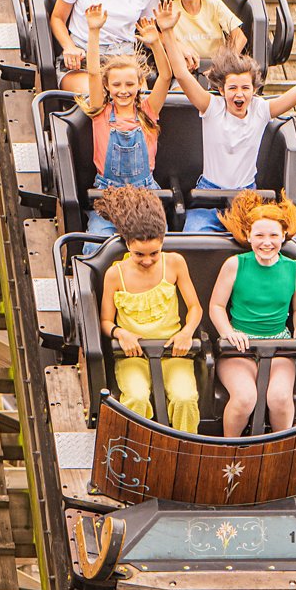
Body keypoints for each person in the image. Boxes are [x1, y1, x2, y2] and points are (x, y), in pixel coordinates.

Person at [170, 28, 296, 232]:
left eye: (245, 88)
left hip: (246, 197)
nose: (239, 94)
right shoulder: (212, 108)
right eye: (232, 88)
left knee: (265, 237)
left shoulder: (260, 110)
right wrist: (167, 33)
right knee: (194, 238)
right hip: (209, 196)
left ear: (254, 90)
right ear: (221, 90)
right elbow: (181, 74)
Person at [98, 184, 202, 433]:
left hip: (172, 351)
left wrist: (187, 332)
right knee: (136, 398)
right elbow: (105, 322)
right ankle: (135, 448)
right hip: (133, 355)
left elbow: (195, 307)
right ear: (127, 244)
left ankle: (185, 447)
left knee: (185, 398)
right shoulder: (115, 275)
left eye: (154, 253)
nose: (147, 260)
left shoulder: (175, 263)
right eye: (139, 254)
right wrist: (121, 333)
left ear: (163, 242)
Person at [209, 193, 296, 436]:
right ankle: (230, 452)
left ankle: (279, 452)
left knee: (279, 398)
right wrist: (228, 334)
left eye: (273, 236)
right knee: (244, 397)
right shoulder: (235, 264)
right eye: (260, 236)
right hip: (240, 346)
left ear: (284, 236)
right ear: (248, 236)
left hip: (278, 344)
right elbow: (216, 306)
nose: (267, 242)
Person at [79, 3, 173, 237]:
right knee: (96, 242)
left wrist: (155, 43)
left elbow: (166, 76)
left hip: (144, 192)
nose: (123, 90)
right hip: (109, 192)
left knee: (156, 239)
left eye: (130, 84)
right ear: (108, 87)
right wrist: (94, 32)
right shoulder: (101, 111)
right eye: (117, 85)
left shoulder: (148, 111)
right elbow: (92, 72)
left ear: (139, 85)